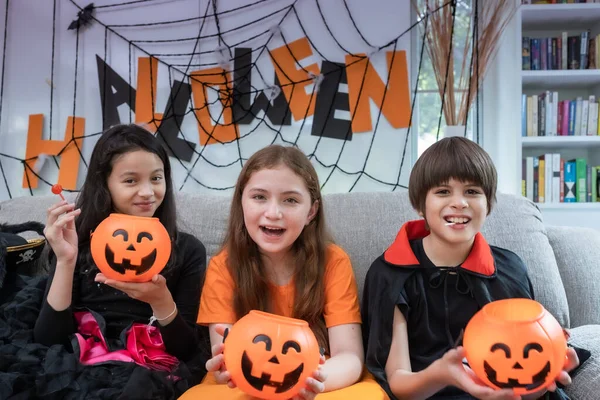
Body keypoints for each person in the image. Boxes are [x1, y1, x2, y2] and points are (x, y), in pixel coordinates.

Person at [362, 137, 583, 400]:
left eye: (472, 191)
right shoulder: (390, 273)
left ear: (488, 203)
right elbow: (399, 382)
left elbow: (524, 379)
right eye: (443, 191)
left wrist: (546, 369)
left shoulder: (510, 268)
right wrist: (442, 373)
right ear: (420, 204)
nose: (459, 202)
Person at [180, 145, 387, 399]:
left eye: (290, 200)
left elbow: (349, 357)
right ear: (241, 201)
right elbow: (227, 355)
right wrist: (228, 368)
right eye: (259, 197)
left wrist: (303, 385)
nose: (273, 213)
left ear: (311, 211)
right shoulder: (224, 267)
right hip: (247, 385)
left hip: (318, 381)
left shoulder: (333, 261)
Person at [31, 124, 210, 397]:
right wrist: (66, 261)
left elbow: (186, 352)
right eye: (131, 181)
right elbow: (48, 341)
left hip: (150, 374)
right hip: (82, 368)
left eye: (156, 178)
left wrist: (161, 301)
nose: (148, 192)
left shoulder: (187, 249)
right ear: (105, 184)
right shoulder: (78, 243)